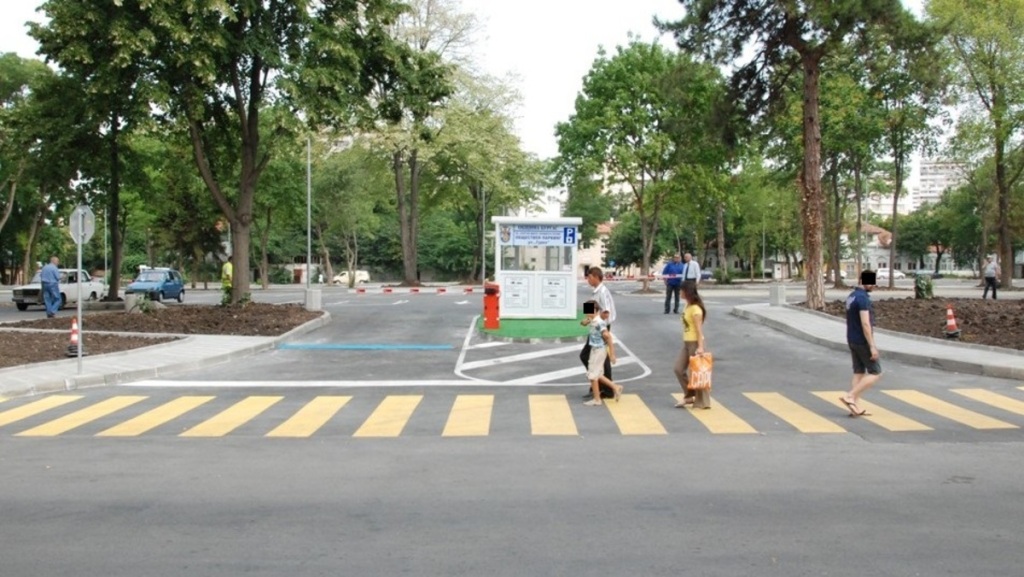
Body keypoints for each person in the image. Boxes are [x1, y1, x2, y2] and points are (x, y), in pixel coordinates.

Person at [840, 270, 882, 417]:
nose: (874, 285)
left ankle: (854, 407)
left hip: (851, 339)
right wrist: (872, 346)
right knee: (875, 372)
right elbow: (865, 323)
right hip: (862, 340)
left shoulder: (851, 296)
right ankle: (850, 396)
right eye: (872, 282)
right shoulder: (863, 299)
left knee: (858, 372)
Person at [580, 267, 617, 400]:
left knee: (589, 356)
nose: (588, 280)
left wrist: (595, 320)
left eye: (589, 277)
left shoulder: (603, 291)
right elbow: (591, 308)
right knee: (594, 356)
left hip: (601, 327)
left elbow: (606, 312)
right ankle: (600, 386)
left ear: (596, 277)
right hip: (595, 325)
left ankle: (604, 387)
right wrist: (587, 320)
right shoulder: (595, 291)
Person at [673, 282, 710, 409]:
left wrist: (700, 347)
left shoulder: (695, 309)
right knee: (678, 369)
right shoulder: (687, 306)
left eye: (681, 290)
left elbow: (699, 330)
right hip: (687, 343)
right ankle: (689, 395)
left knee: (698, 372)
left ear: (687, 292)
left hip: (695, 343)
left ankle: (703, 402)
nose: (680, 293)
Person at [580, 300, 623, 406]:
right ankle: (615, 387)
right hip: (595, 349)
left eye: (588, 310)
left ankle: (597, 399)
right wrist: (585, 321)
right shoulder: (593, 320)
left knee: (592, 375)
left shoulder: (599, 322)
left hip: (599, 350)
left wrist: (612, 354)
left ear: (595, 311)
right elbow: (584, 323)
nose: (586, 313)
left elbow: (608, 337)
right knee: (598, 374)